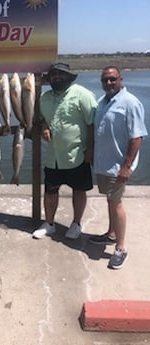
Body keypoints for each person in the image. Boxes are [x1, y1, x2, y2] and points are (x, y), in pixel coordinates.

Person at [90, 66, 147, 269]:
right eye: (105, 80)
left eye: (113, 79)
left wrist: (127, 166)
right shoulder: (102, 102)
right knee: (110, 200)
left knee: (116, 203)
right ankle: (111, 234)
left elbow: (137, 137)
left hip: (118, 165)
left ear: (120, 79)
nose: (109, 83)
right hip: (104, 163)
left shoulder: (130, 103)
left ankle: (121, 248)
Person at [32, 62, 97, 240]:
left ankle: (76, 223)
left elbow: (92, 123)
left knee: (79, 190)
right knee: (50, 191)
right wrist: (44, 125)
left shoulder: (82, 94)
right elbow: (41, 118)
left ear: (68, 76)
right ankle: (49, 224)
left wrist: (91, 149)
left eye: (60, 75)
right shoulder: (44, 97)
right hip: (53, 157)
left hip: (77, 155)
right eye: (53, 75)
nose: (56, 78)